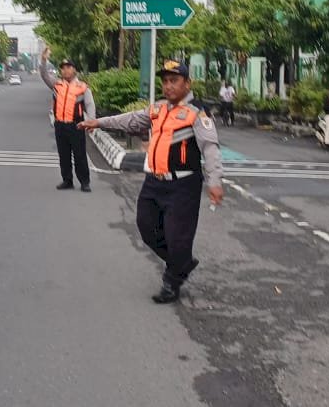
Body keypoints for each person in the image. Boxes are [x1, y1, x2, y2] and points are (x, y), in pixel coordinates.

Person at [79, 59, 225, 304]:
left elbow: (210, 148)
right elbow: (130, 120)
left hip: (183, 186)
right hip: (154, 182)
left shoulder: (198, 113)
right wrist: (99, 122)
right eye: (165, 81)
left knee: (178, 237)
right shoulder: (157, 108)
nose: (168, 86)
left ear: (187, 84)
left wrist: (215, 181)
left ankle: (172, 280)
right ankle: (181, 263)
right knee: (146, 228)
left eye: (174, 81)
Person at [40, 47, 95, 192]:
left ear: (74, 70)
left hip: (76, 126)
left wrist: (92, 122)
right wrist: (43, 60)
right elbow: (44, 75)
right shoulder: (57, 85)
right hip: (60, 126)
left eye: (68, 67)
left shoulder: (82, 87)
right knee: (63, 155)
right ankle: (67, 180)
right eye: (63, 68)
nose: (65, 70)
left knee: (80, 155)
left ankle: (84, 182)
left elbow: (90, 105)